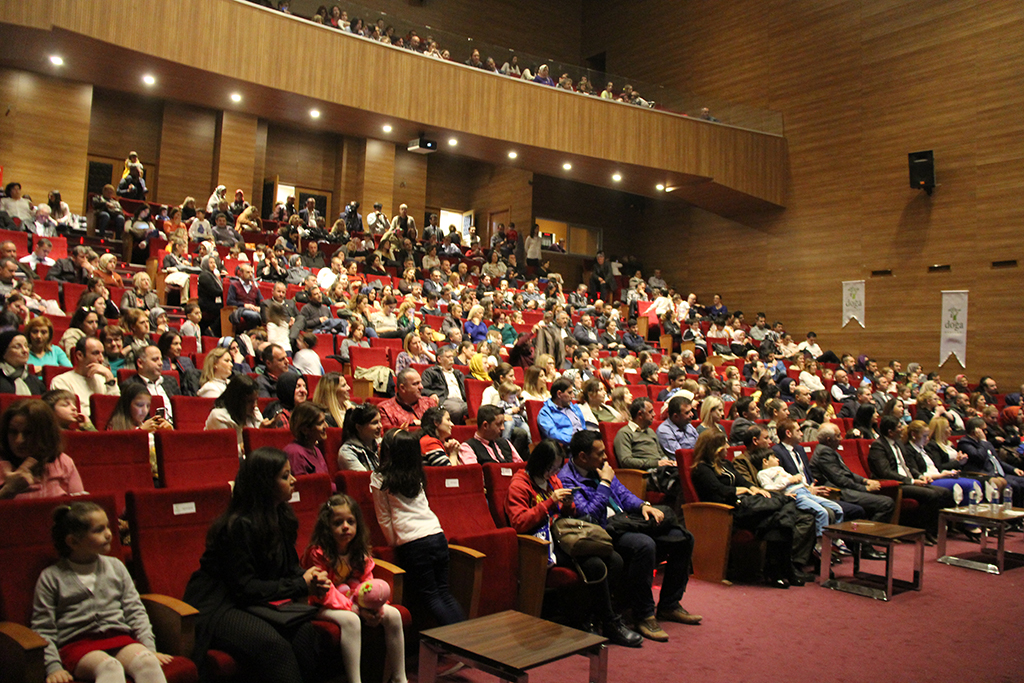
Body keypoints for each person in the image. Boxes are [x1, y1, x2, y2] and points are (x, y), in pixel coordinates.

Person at [182, 447, 331, 683]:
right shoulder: (238, 526)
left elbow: (289, 568)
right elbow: (244, 587)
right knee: (274, 647)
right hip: (222, 603)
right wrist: (298, 585)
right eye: (285, 476)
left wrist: (309, 577)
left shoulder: (281, 514)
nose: (294, 480)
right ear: (264, 484)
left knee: (305, 634)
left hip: (257, 599)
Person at [560, 430, 700, 640]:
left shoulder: (600, 467)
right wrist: (605, 483)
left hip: (624, 521)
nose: (606, 458)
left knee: (683, 537)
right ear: (582, 456)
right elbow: (588, 515)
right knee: (644, 545)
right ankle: (643, 615)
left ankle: (670, 604)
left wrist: (643, 505)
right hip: (601, 532)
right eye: (600, 454)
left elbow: (623, 494)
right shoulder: (567, 479)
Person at [504, 439, 642, 646]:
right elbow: (519, 523)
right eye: (551, 467)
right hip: (540, 543)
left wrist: (568, 505)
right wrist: (551, 502)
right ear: (539, 463)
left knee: (614, 560)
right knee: (594, 566)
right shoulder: (520, 484)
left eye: (558, 467)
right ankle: (602, 622)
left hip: (564, 534)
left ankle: (593, 617)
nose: (555, 472)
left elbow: (570, 513)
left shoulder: (553, 481)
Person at [32, 500, 173, 683]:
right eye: (98, 530)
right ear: (73, 541)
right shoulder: (51, 577)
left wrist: (149, 648)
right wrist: (53, 667)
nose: (108, 534)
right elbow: (43, 628)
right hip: (78, 646)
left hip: (118, 638)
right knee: (109, 667)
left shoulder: (115, 567)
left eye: (108, 527)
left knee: (147, 662)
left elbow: (135, 610)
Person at [303, 494, 407, 683]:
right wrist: (354, 608)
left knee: (394, 615)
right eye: (338, 523)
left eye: (350, 521)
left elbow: (367, 583)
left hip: (352, 600)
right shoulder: (318, 552)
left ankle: (400, 678)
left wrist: (373, 606)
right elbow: (324, 591)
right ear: (327, 527)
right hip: (319, 604)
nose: (345, 527)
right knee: (351, 620)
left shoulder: (360, 550)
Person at [690, 429, 809, 587]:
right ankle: (782, 569)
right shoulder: (702, 469)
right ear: (716, 448)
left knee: (780, 519)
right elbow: (719, 491)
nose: (728, 446)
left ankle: (777, 570)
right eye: (725, 444)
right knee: (785, 503)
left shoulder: (725, 464)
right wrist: (741, 490)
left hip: (746, 506)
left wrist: (753, 488)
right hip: (726, 511)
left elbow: (743, 482)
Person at [371, 429, 464, 625]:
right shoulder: (417, 473)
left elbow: (384, 518)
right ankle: (465, 638)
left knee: (432, 598)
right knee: (445, 594)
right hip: (436, 534)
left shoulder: (380, 477)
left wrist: (394, 543)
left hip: (413, 542)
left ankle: (458, 644)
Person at [809, 423, 894, 559]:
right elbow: (840, 480)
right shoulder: (824, 452)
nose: (841, 438)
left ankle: (863, 542)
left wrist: (865, 481)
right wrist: (864, 488)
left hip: (844, 488)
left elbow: (848, 473)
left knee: (882, 500)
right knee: (886, 503)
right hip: (837, 492)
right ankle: (865, 545)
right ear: (829, 440)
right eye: (838, 436)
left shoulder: (828, 450)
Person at [0, 398, 83, 499]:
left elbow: (80, 510)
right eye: (13, 432)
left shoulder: (62, 462)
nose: (19, 440)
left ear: (44, 435)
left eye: (28, 433)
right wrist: (7, 491)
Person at [50, 337, 119, 425]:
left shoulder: (104, 379)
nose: (101, 359)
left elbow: (117, 409)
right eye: (96, 353)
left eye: (102, 354)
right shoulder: (61, 381)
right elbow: (71, 414)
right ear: (80, 355)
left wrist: (110, 377)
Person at [958, 416, 1024, 505]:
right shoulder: (965, 443)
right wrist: (983, 441)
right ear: (976, 432)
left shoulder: (986, 443)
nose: (986, 432)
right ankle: (1013, 514)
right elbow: (979, 457)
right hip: (985, 474)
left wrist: (1013, 469)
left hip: (999, 473)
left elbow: (997, 461)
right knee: (1015, 485)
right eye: (984, 430)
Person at [205, 375, 268, 453]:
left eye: (256, 400)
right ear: (236, 401)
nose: (254, 405)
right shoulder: (219, 417)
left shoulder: (254, 411)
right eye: (249, 401)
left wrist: (265, 431)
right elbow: (227, 451)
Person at [457, 404, 524, 465]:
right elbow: (474, 475)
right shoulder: (468, 447)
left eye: (503, 423)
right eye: (499, 424)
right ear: (485, 425)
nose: (503, 428)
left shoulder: (506, 443)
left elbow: (521, 467)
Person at [284, 401, 331, 478]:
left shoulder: (316, 450)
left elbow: (327, 482)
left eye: (324, 421)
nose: (326, 426)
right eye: (320, 423)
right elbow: (303, 486)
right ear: (305, 430)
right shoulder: (294, 453)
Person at [537, 377, 586, 446]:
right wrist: (575, 441)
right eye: (570, 393)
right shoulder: (546, 413)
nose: (573, 396)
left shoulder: (574, 407)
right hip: (568, 447)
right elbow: (553, 435)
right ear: (559, 394)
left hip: (583, 444)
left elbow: (583, 427)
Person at [338, 402, 382, 472]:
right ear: (359, 427)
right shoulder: (348, 452)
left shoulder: (381, 442)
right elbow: (365, 479)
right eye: (374, 423)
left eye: (380, 421)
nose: (380, 426)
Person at [0, 331, 46, 395]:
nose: (25, 350)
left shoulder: (36, 382)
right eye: (17, 347)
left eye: (26, 346)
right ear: (4, 353)